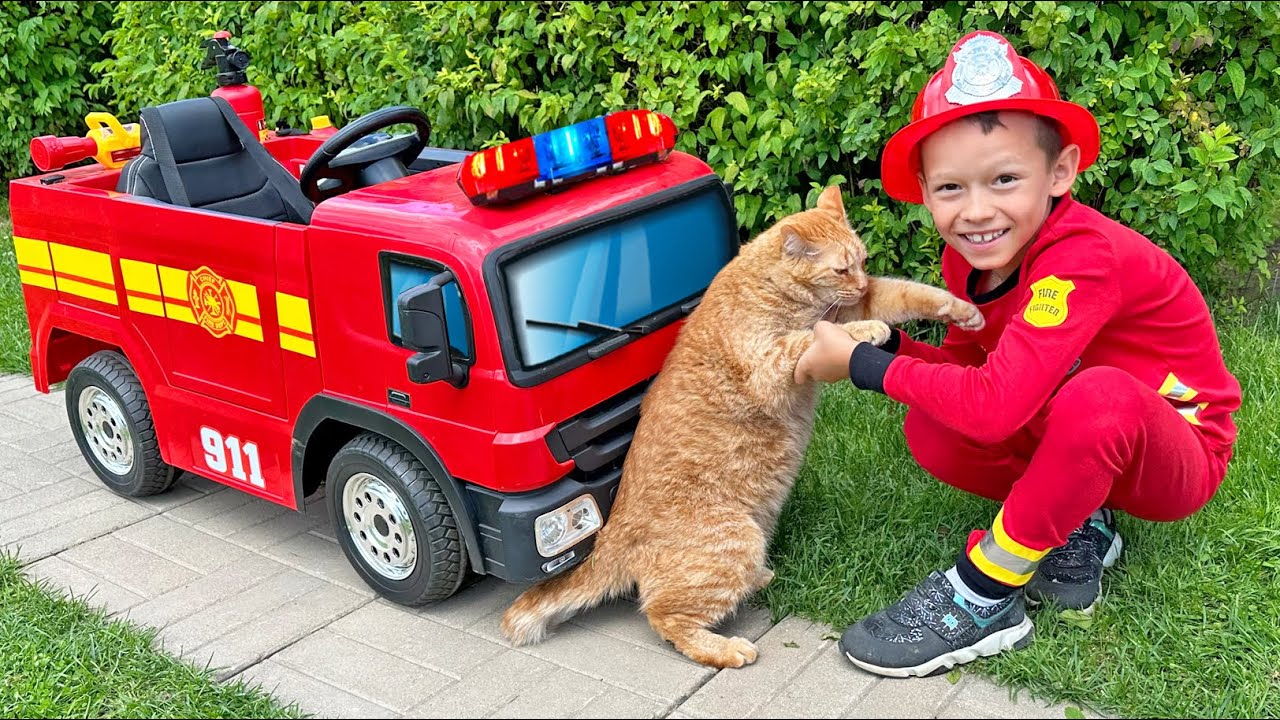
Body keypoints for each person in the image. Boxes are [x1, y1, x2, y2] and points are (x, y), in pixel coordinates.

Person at [793, 30, 1242, 679]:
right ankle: (1081, 517)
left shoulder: (1080, 258)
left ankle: (984, 595)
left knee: (1099, 398)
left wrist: (865, 368)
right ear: (923, 188)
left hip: (1178, 446)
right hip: (1078, 411)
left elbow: (998, 408)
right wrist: (888, 344)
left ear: (1059, 172)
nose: (977, 211)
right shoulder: (970, 258)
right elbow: (978, 380)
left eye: (1005, 179)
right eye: (951, 188)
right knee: (932, 428)